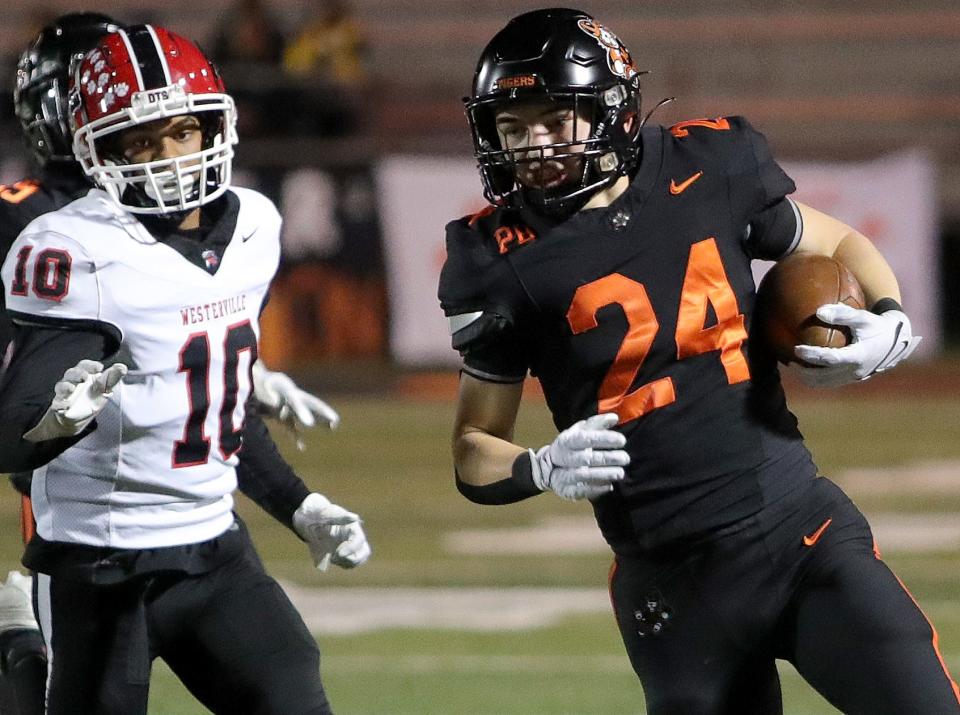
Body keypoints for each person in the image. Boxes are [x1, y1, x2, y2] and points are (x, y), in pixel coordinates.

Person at [439, 8, 951, 714]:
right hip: (674, 586)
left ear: (611, 109)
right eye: (513, 128)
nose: (535, 147)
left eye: (554, 121)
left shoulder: (709, 164)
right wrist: (537, 464)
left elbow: (836, 245)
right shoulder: (495, 259)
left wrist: (889, 317)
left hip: (800, 533)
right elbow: (472, 448)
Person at [0, 23, 368, 715]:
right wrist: (48, 425)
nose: (166, 157)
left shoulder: (255, 225)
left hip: (213, 547)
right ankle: (18, 649)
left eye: (180, 132)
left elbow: (212, 408)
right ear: (97, 151)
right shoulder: (70, 246)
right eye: (138, 142)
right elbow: (11, 432)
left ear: (212, 127)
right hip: (97, 562)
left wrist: (299, 502)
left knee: (292, 684)